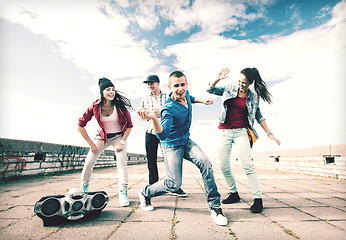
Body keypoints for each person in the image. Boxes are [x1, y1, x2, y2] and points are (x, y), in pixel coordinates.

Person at [137, 71, 228, 226]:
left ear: (186, 84)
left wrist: (203, 100)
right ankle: (145, 193)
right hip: (171, 145)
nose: (180, 89)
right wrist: (153, 118)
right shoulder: (168, 109)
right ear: (169, 87)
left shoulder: (186, 95)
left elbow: (191, 98)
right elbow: (163, 135)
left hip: (186, 141)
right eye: (176, 86)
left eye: (182, 85)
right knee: (174, 184)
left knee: (205, 162)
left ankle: (215, 206)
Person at [207, 67, 281, 213]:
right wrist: (217, 78)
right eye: (240, 81)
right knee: (223, 165)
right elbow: (210, 90)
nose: (241, 84)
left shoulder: (253, 97)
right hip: (225, 130)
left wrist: (269, 133)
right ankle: (234, 193)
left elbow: (259, 116)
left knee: (247, 165)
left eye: (245, 83)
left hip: (241, 131)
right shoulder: (229, 89)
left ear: (250, 83)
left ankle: (258, 199)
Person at [78, 77, 134, 207]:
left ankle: (123, 191)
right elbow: (80, 125)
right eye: (108, 89)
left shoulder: (120, 107)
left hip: (118, 137)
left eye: (113, 89)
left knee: (121, 162)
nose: (111, 92)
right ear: (102, 92)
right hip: (101, 137)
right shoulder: (95, 106)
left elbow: (130, 126)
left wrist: (122, 142)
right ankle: (84, 190)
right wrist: (91, 144)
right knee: (89, 162)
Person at [141, 75, 187, 197]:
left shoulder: (168, 96)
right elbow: (143, 118)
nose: (150, 86)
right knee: (151, 160)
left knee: (170, 160)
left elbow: (175, 109)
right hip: (150, 131)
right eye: (148, 84)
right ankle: (153, 187)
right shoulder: (145, 98)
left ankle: (175, 187)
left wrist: (160, 112)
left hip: (166, 132)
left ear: (158, 83)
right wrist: (146, 114)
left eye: (152, 83)